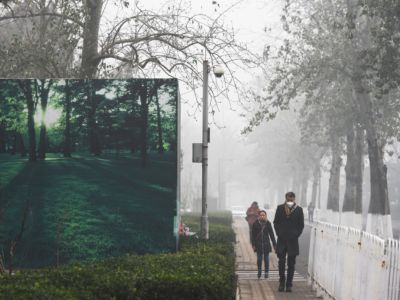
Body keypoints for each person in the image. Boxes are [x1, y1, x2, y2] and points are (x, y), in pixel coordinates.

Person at [273, 192, 304, 293]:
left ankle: (289, 284)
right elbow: (275, 222)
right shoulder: (280, 208)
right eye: (288, 198)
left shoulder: (299, 210)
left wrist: (296, 234)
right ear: (286, 198)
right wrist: (278, 233)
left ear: (294, 198)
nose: (290, 200)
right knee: (281, 263)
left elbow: (301, 225)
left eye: (291, 198)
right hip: (282, 239)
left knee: (291, 264)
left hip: (293, 240)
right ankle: (282, 283)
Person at [251, 210, 276, 279]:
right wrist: (253, 244)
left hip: (266, 243)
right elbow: (253, 235)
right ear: (259, 216)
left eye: (263, 215)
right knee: (259, 259)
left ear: (265, 216)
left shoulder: (268, 223)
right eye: (261, 215)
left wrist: (274, 244)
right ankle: (259, 271)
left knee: (266, 259)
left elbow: (271, 234)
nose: (262, 216)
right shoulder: (255, 223)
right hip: (258, 244)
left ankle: (266, 272)